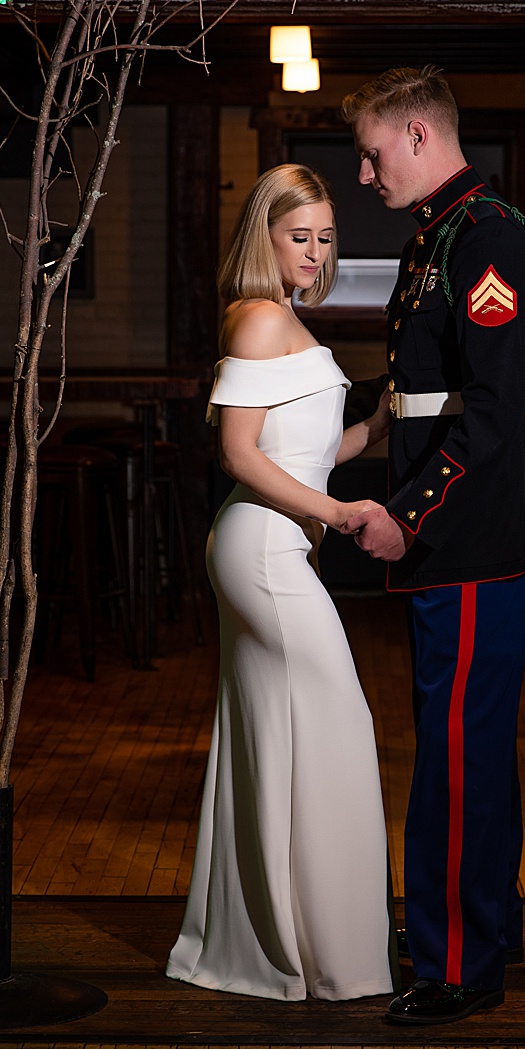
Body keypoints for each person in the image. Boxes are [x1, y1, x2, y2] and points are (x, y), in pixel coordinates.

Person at [341, 66, 525, 1025]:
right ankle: (480, 924)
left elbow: (493, 414)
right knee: (465, 746)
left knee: (458, 755)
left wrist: (409, 511)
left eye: (372, 150)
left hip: (467, 534)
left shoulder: (489, 237)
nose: (361, 172)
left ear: (421, 137)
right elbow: (419, 390)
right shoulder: (440, 237)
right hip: (454, 538)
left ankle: (458, 963)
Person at [166, 164, 396, 1003]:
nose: (315, 251)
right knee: (338, 726)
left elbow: (301, 452)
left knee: (273, 742)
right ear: (264, 236)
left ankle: (277, 942)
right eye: (299, 236)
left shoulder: (288, 320)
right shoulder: (261, 317)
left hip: (270, 547)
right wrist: (339, 517)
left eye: (327, 237)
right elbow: (238, 454)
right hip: (263, 551)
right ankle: (338, 953)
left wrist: (371, 426)